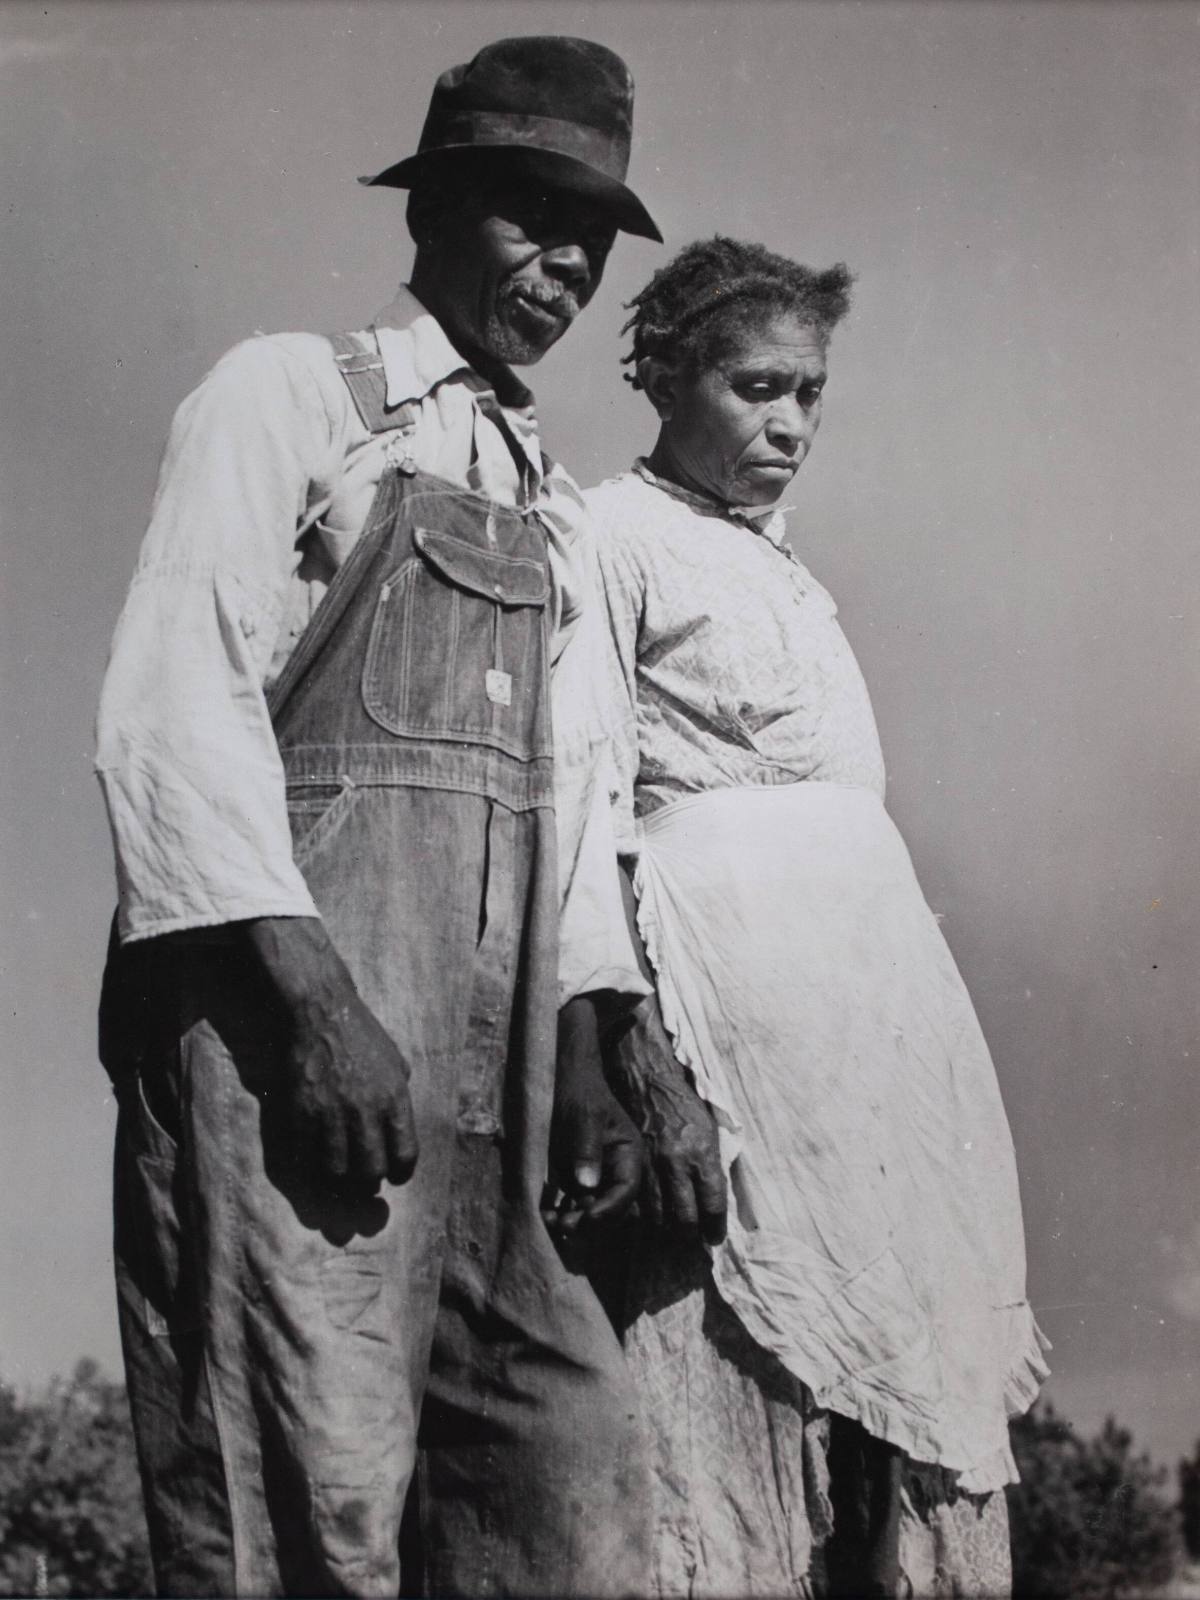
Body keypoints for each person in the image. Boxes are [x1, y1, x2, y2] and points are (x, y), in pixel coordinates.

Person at [94, 37, 663, 1599]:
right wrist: (317, 999)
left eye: (592, 238)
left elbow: (584, 787)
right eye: (528, 216)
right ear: (435, 210)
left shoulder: (548, 489)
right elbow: (171, 702)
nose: (563, 264)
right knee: (309, 1511)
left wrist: (587, 1050)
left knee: (570, 1510)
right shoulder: (295, 392)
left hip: (501, 1080)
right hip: (299, 1047)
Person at [588, 236, 1049, 1598]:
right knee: (741, 1390)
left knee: (909, 1387)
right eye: (753, 387)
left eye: (810, 395)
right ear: (668, 374)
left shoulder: (785, 566)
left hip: (876, 1010)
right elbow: (590, 803)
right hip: (729, 999)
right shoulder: (611, 534)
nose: (788, 424)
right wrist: (639, 1056)